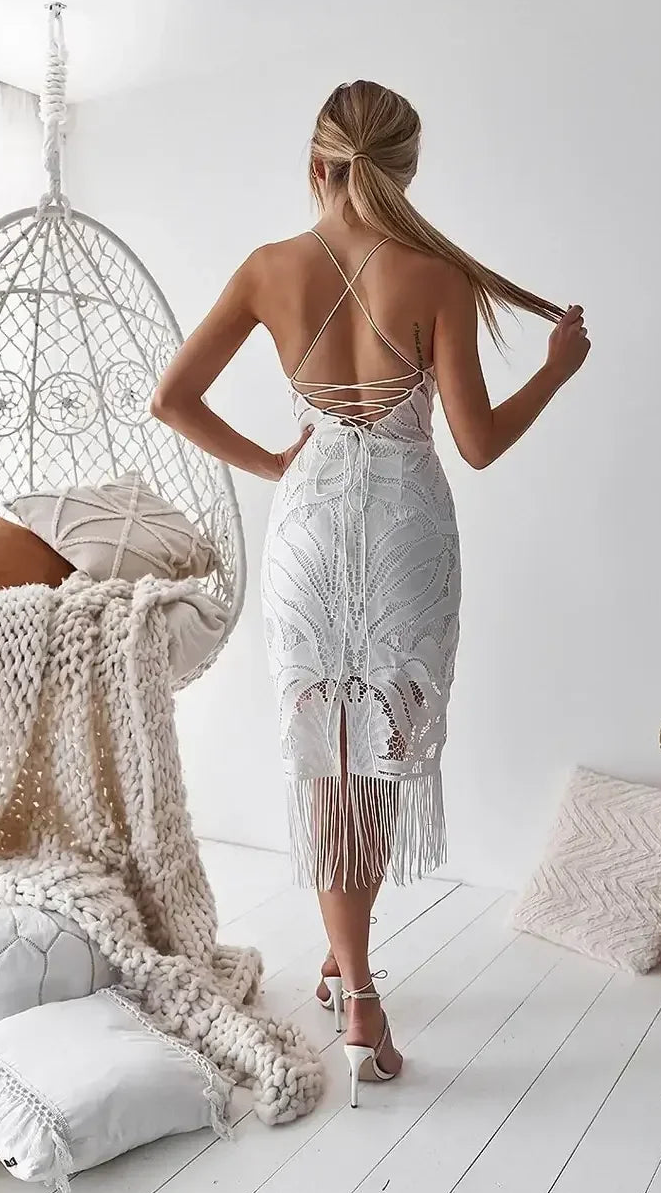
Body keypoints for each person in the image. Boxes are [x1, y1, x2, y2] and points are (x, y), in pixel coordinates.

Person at [152, 80, 590, 1106]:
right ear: (402, 172)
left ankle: (341, 959)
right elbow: (477, 445)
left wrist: (270, 460)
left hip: (306, 524)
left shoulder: (269, 271)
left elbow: (172, 397)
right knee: (375, 753)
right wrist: (558, 369)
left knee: (324, 753)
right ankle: (358, 995)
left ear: (318, 164)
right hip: (403, 531)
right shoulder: (433, 276)